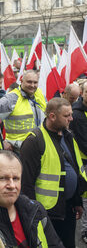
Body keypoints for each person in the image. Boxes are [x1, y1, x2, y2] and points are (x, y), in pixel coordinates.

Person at [20, 97, 87, 248]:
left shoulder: (68, 135)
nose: (71, 118)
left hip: (67, 208)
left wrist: (77, 201)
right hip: (47, 213)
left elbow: (75, 169)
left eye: (71, 114)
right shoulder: (34, 141)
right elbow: (26, 183)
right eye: (66, 115)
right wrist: (32, 213)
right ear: (52, 116)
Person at [0, 70, 46, 153]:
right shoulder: (11, 98)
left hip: (39, 149)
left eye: (35, 82)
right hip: (18, 152)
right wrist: (1, 141)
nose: (32, 85)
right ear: (21, 81)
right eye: (29, 82)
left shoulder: (40, 94)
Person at [70, 81, 87, 244]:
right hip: (83, 163)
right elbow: (83, 142)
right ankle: (84, 232)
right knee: (85, 199)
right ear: (82, 93)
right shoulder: (77, 114)